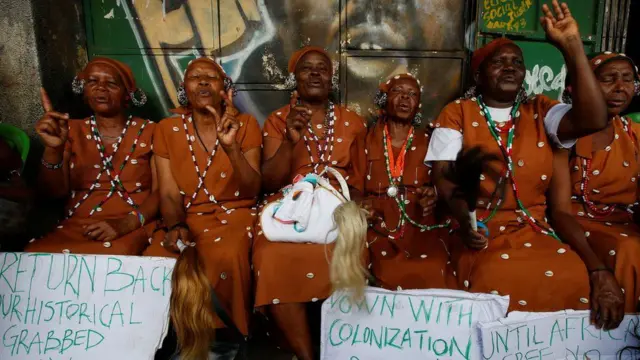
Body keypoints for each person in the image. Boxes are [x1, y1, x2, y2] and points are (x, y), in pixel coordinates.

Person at [426, 1, 610, 313]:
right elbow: (443, 177)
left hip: (534, 229)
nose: (510, 67)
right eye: (499, 62)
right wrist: (466, 221)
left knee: (572, 273)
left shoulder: (540, 110)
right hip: (479, 228)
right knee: (498, 276)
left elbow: (593, 119)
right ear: (479, 75)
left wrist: (572, 47)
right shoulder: (457, 111)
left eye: (517, 62)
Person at [142, 57, 261, 359]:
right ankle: (169, 339)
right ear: (185, 88)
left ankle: (223, 343)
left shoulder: (246, 124)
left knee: (227, 253)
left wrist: (232, 148)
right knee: (157, 255)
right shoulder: (167, 129)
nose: (204, 82)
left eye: (212, 77)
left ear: (224, 88)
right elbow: (168, 193)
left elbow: (251, 189)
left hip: (237, 214)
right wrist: (175, 226)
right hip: (188, 217)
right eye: (196, 77)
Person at [253, 46, 367, 360]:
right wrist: (291, 139)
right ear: (295, 78)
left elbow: (358, 180)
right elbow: (270, 181)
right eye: (307, 69)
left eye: (322, 68)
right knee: (272, 256)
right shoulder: (278, 120)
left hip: (338, 203)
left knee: (356, 245)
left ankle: (346, 348)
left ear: (331, 78)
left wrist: (357, 211)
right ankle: (306, 355)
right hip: (290, 205)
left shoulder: (352, 122)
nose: (315, 73)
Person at [27, 57, 158, 255]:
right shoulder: (70, 130)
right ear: (84, 91)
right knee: (35, 254)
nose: (100, 88)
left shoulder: (151, 131)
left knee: (116, 255)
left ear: (127, 95)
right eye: (92, 81)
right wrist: (53, 149)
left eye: (111, 83)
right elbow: (52, 193)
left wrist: (126, 223)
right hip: (78, 226)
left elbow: (163, 193)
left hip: (134, 223)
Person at [549, 52, 640, 329]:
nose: (620, 87)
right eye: (608, 79)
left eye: (628, 79)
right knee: (629, 249)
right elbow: (560, 210)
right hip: (577, 222)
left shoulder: (634, 133)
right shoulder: (566, 133)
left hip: (623, 223)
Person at [363, 73, 452, 290]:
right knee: (374, 266)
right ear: (385, 100)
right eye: (398, 91)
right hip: (377, 221)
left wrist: (433, 194)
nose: (405, 98)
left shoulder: (430, 140)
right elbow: (354, 186)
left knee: (434, 266)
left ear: (418, 105)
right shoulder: (365, 138)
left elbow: (442, 185)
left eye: (412, 94)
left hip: (418, 220)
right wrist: (361, 205)